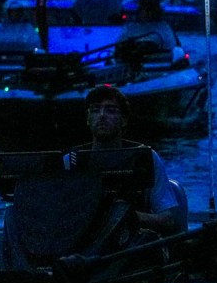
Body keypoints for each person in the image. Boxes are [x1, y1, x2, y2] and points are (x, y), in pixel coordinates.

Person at [67, 85, 181, 236]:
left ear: (124, 120)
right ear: (88, 119)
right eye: (95, 110)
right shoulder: (71, 160)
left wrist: (128, 217)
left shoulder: (146, 158)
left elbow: (168, 219)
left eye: (111, 110)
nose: (102, 115)